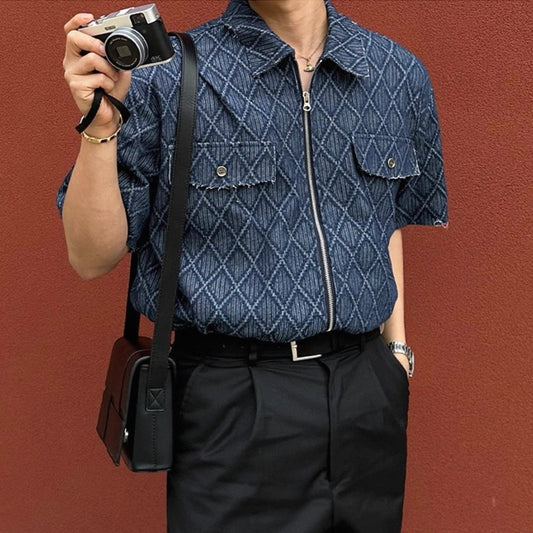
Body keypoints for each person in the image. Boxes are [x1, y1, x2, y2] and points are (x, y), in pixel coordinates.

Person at [58, 0, 448, 531]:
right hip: (233, 405)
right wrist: (99, 127)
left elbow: (386, 221)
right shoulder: (164, 77)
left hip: (367, 398)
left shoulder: (395, 73)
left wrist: (396, 355)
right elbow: (89, 257)